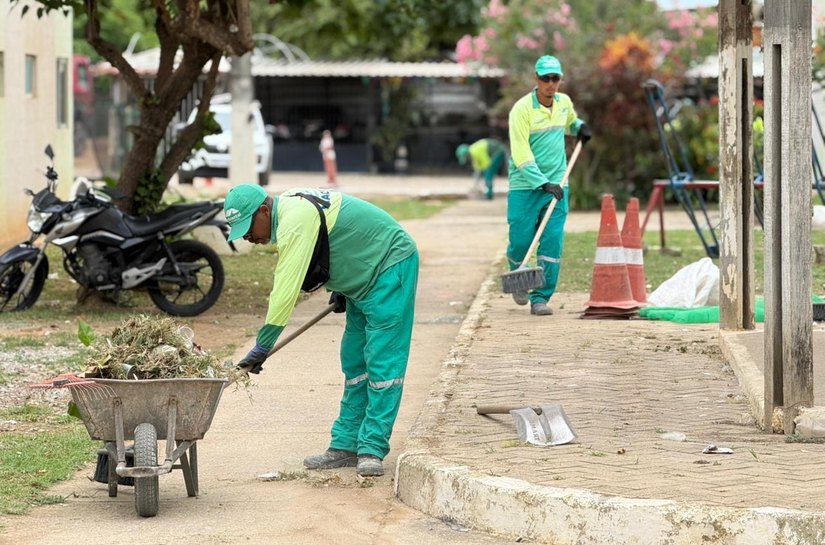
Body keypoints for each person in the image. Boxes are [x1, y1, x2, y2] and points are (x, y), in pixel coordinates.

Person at [224, 184, 419, 477]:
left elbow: (285, 290)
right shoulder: (288, 210)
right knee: (354, 361)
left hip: (389, 267)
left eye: (248, 228)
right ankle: (346, 445)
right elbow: (335, 237)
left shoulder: (294, 220)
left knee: (382, 363)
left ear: (264, 211)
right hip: (360, 283)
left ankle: (372, 448)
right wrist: (342, 284)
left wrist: (263, 345)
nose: (248, 238)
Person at [506, 54, 591, 316]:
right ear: (536, 79)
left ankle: (540, 297)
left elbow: (570, 122)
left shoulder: (563, 103)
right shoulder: (521, 110)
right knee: (521, 241)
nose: (550, 84)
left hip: (558, 184)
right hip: (525, 186)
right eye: (545, 78)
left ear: (560, 80)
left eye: (555, 78)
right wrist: (542, 183)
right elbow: (521, 154)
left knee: (552, 243)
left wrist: (580, 126)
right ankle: (518, 275)